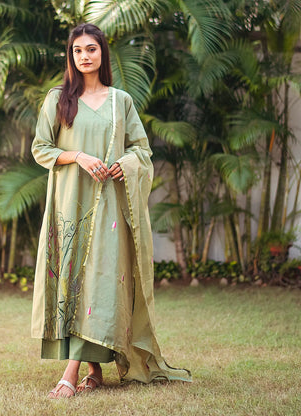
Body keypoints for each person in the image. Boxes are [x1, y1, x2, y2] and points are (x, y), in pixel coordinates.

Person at [31, 23, 191, 399]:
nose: (84, 56)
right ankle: (93, 370)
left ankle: (71, 374)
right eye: (77, 51)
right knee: (75, 282)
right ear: (70, 57)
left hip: (110, 208)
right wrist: (80, 157)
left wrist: (126, 164)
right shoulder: (58, 99)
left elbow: (142, 150)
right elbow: (41, 148)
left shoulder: (122, 101)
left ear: (103, 53)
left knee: (100, 283)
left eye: (91, 49)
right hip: (70, 206)